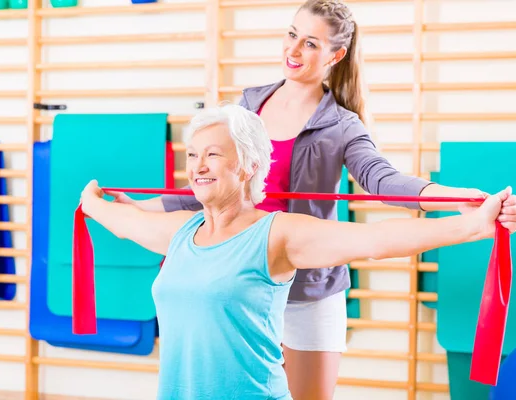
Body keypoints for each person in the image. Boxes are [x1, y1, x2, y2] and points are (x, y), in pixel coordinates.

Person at [106, 1, 516, 398]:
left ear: (336, 54)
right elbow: (210, 188)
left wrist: (458, 199)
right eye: (292, 35)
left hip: (309, 292)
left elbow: (382, 179)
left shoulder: (341, 124)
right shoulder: (246, 107)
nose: (294, 50)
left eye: (311, 43)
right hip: (242, 283)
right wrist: (139, 209)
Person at [80, 104, 512, 400]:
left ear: (247, 166)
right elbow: (124, 223)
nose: (198, 166)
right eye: (193, 155)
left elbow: (376, 242)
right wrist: (94, 203)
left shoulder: (277, 236)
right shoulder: (181, 231)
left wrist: (473, 224)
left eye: (213, 154)